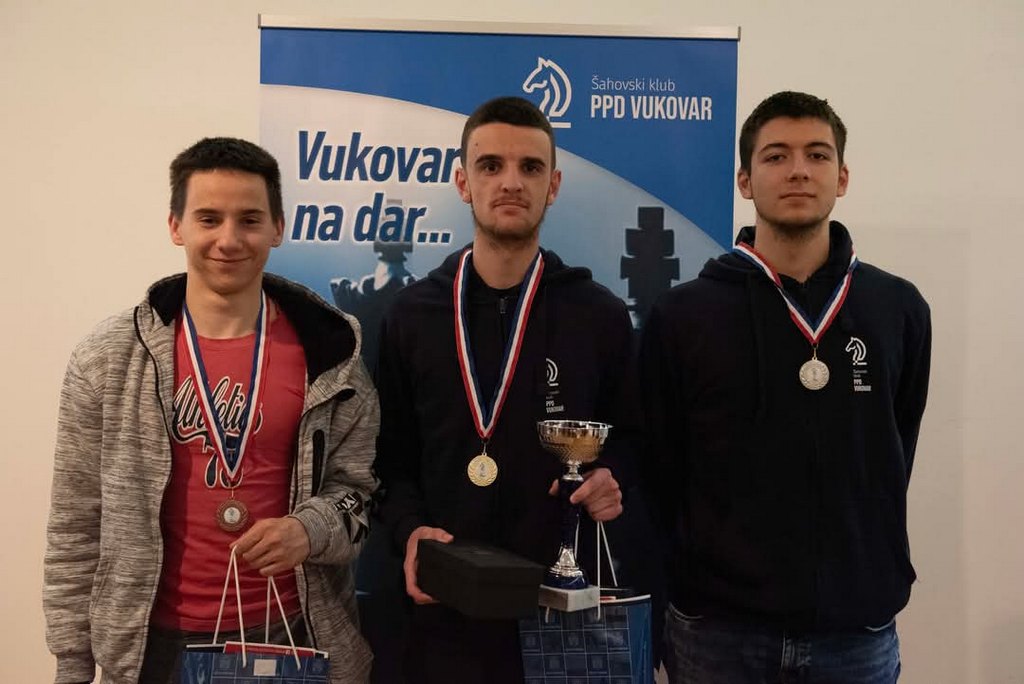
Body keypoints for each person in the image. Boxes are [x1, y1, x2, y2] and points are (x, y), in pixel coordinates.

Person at [43, 138, 378, 684]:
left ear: (278, 228)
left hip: (291, 635)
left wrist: (310, 529)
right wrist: (72, 666)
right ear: (176, 226)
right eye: (208, 218)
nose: (228, 239)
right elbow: (75, 525)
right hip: (150, 648)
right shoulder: (107, 359)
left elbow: (359, 493)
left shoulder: (332, 357)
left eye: (249, 220)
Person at [640, 90, 932, 683]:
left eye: (817, 155)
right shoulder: (682, 316)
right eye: (776, 156)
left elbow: (893, 450)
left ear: (842, 177)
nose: (798, 170)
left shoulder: (897, 309)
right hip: (717, 632)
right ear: (745, 181)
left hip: (855, 633)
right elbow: (659, 468)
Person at [373, 96, 641, 682]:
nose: (511, 182)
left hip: (560, 611)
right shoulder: (411, 316)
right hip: (443, 607)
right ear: (463, 182)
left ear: (554, 185)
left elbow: (635, 441)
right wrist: (409, 530)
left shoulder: (597, 315)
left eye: (531, 167)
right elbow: (388, 460)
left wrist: (611, 476)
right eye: (491, 166)